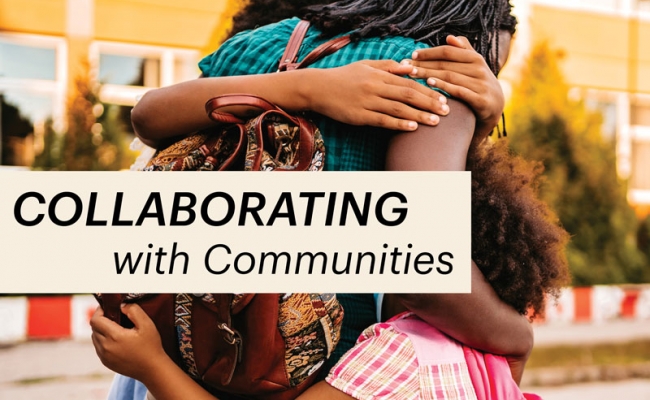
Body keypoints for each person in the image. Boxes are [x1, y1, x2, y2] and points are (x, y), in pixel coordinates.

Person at [92, 0, 563, 398]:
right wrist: (513, 334)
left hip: (177, 336)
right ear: (467, 38)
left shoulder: (258, 44)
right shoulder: (429, 76)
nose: (485, 74)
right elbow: (423, 262)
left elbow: (148, 117)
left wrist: (305, 88)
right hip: (315, 369)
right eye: (489, 60)